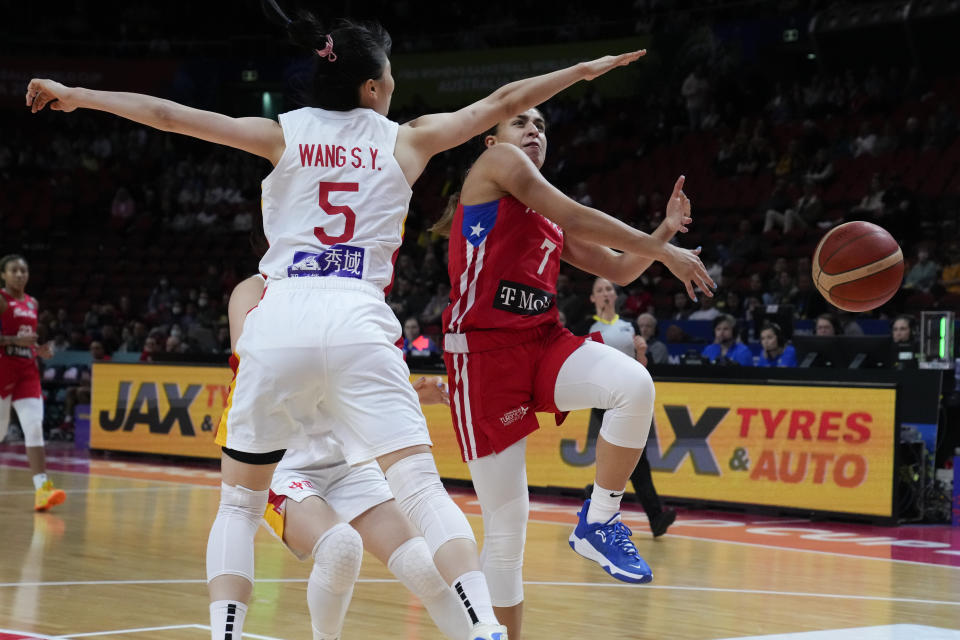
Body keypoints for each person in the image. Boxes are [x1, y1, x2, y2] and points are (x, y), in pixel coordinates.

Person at [27, 14, 651, 639]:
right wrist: (582, 70)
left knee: (240, 504)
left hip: (283, 314)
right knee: (421, 490)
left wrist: (79, 96)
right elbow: (504, 101)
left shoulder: (282, 134)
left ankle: (224, 632)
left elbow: (169, 115)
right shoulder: (406, 139)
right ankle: (485, 625)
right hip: (356, 317)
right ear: (373, 87)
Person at [431, 106, 712, 639]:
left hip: (542, 340)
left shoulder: (547, 217)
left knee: (633, 384)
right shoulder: (497, 168)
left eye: (541, 125)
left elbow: (622, 268)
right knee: (508, 532)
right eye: (521, 123)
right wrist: (662, 247)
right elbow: (580, 215)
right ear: (492, 142)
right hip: (483, 358)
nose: (534, 130)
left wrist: (665, 231)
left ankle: (600, 518)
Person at [228, 275, 471, 640]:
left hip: (347, 461)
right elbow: (259, 377)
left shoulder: (358, 280)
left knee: (425, 568)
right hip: (282, 462)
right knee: (340, 549)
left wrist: (405, 390)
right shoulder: (254, 289)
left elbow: (355, 381)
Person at [0, 254, 63, 511]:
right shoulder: (1, 300)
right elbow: (14, 338)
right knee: (1, 432)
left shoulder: (32, 303)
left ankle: (42, 490)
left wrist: (40, 349)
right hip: (3, 369)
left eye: (23, 271)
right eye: (14, 271)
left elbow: (27, 340)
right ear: (3, 275)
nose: (19, 275)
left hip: (27, 369)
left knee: (34, 426)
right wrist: (13, 340)